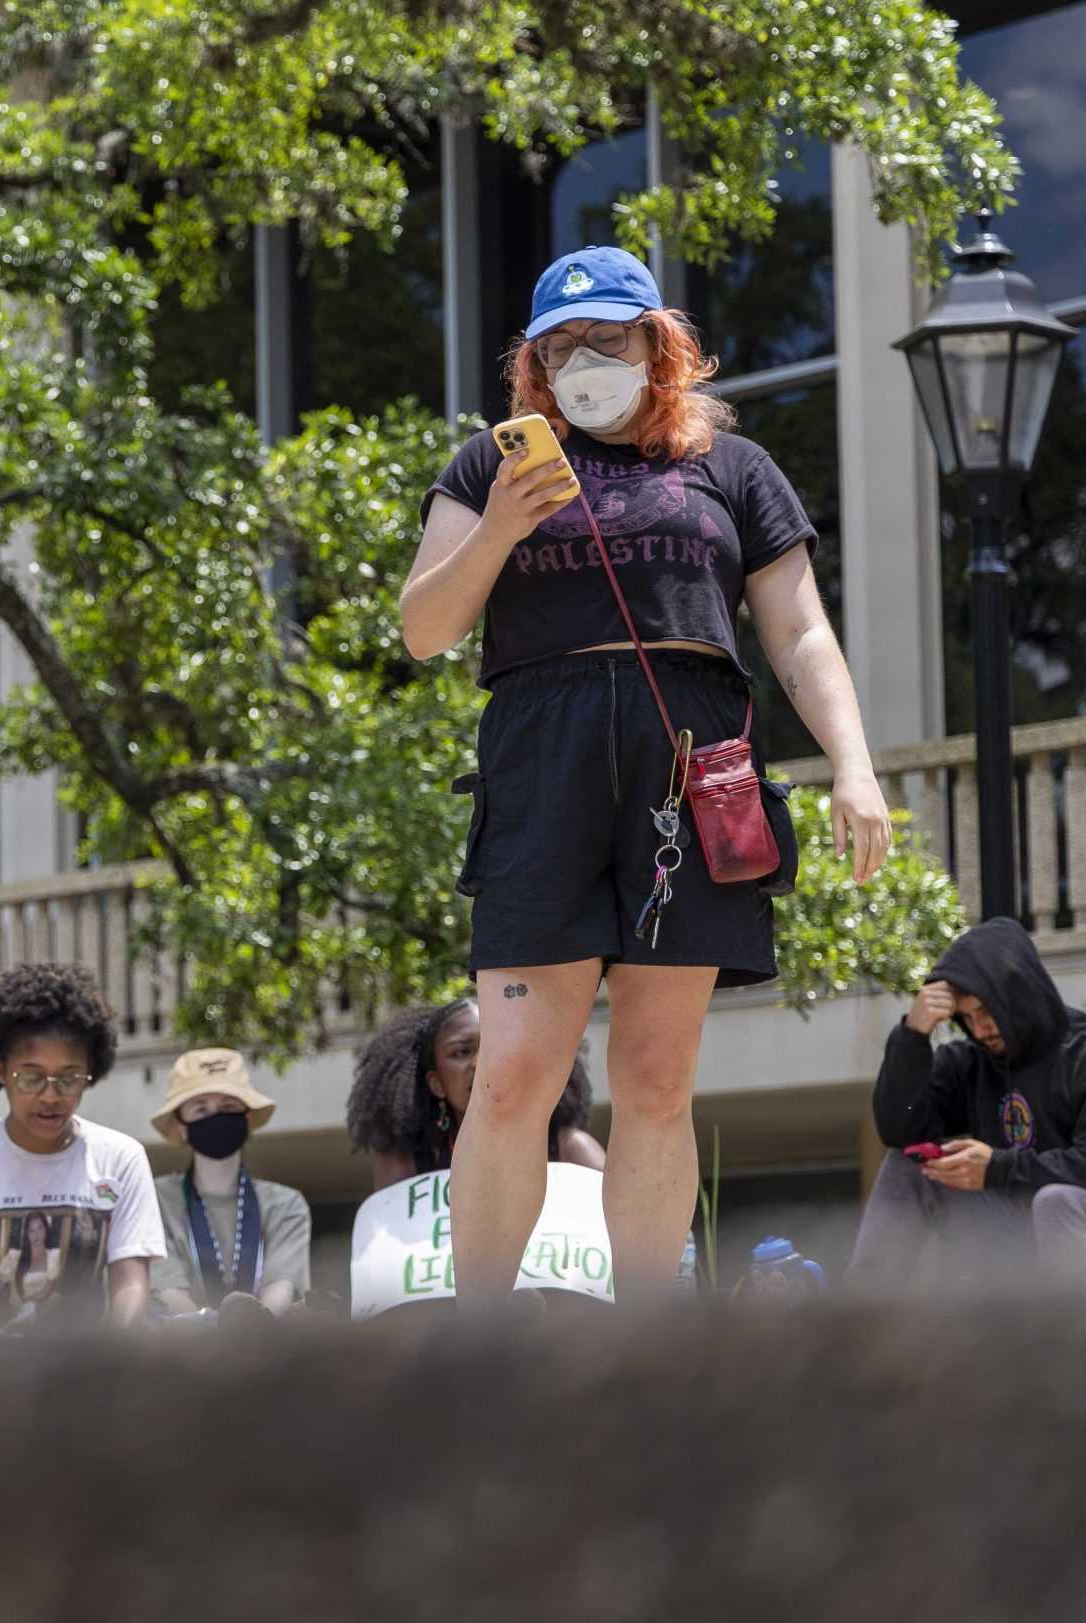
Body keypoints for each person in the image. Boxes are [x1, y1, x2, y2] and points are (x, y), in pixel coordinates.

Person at [400, 244, 893, 1304]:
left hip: (691, 758)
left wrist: (853, 766)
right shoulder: (491, 464)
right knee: (514, 1076)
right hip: (542, 755)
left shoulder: (731, 463)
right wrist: (498, 528)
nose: (587, 357)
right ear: (532, 363)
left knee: (658, 1082)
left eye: (609, 336)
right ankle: (474, 1348)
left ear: (656, 344)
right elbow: (424, 629)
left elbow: (799, 631)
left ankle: (648, 1348)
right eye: (562, 342)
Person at [851, 918, 1086, 1290]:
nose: (980, 1028)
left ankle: (1083, 1342)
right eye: (967, 1017)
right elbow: (898, 1129)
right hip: (1024, 1232)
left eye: (986, 1012)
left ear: (1018, 993)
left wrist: (998, 1168)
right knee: (910, 1164)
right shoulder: (971, 1062)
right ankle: (857, 1319)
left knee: (1057, 1203)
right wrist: (912, 1035)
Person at [0, 963, 163, 1333]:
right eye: (32, 1077)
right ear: (0, 1070)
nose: (50, 1096)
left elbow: (130, 1285)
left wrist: (112, 1355)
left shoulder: (121, 1158)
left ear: (91, 1074)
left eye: (69, 1079)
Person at [347, 999, 608, 1191]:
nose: (481, 1063)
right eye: (461, 1052)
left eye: (498, 1047)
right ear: (436, 1083)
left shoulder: (570, 1149)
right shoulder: (407, 1161)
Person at [146, 1047, 310, 1315]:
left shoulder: (286, 1205)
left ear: (247, 1118)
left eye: (228, 1107)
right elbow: (172, 1299)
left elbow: (278, 1299)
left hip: (267, 1350)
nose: (215, 1116)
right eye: (200, 1109)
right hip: (180, 1353)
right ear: (181, 1126)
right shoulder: (155, 1200)